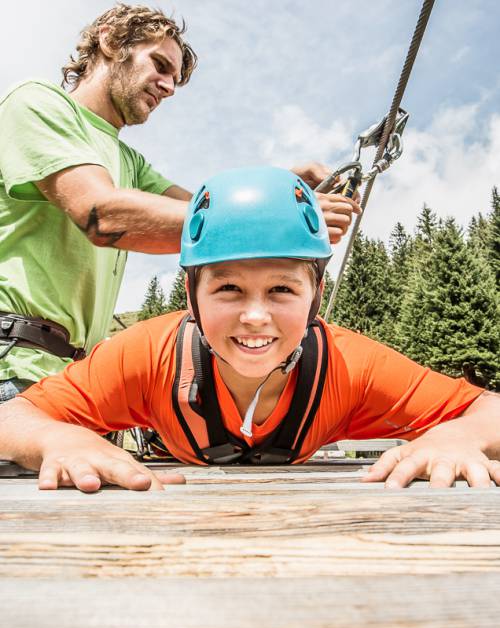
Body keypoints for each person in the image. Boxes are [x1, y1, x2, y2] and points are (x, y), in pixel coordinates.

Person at [1, 166, 499, 493]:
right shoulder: (146, 353)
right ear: (192, 297)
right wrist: (57, 441)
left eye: (282, 290)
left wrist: (458, 437)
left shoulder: (351, 365)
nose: (255, 316)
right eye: (229, 290)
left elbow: (489, 411)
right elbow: (11, 419)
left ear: (315, 297)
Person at [0, 3, 360, 402]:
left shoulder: (129, 163)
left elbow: (209, 213)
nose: (169, 87)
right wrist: (282, 215)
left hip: (73, 384)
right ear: (109, 40)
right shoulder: (37, 103)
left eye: (174, 79)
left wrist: (287, 189)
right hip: (15, 370)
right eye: (159, 65)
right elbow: (101, 213)